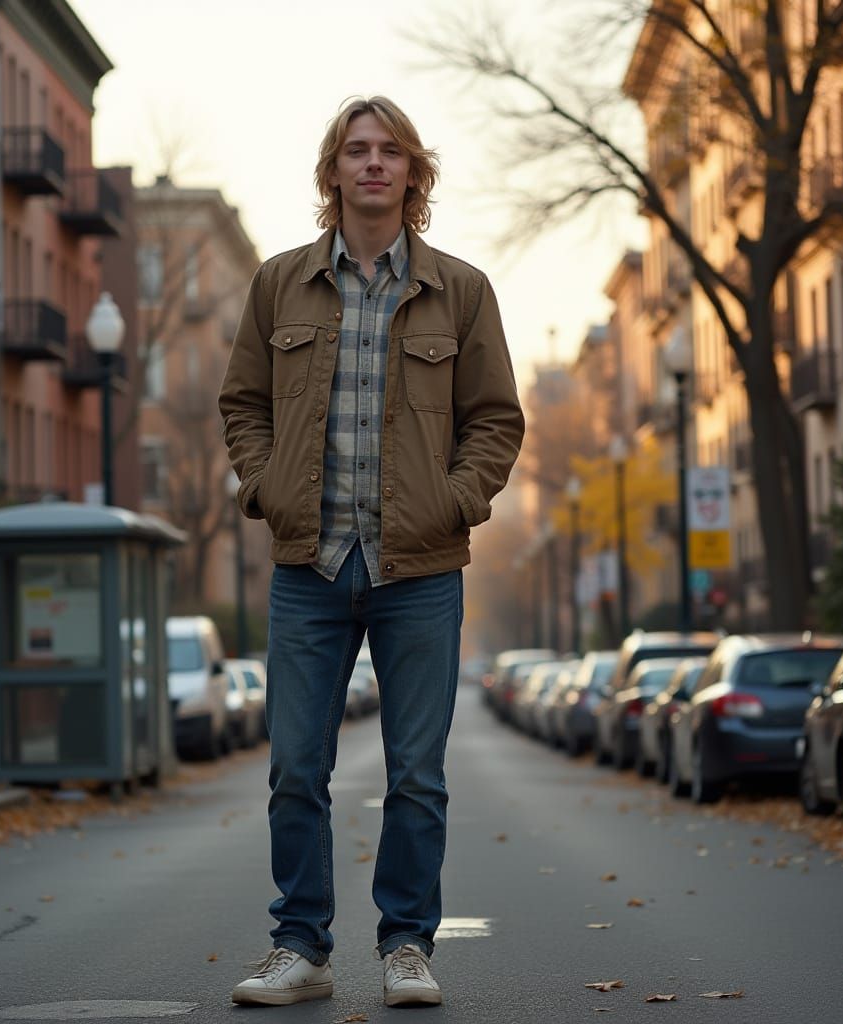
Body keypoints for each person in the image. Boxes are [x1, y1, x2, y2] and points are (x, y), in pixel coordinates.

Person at [219, 95, 524, 1008]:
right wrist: (266, 486)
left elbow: (495, 420)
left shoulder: (461, 290)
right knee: (294, 769)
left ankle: (407, 948)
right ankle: (301, 948)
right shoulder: (279, 283)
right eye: (357, 150)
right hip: (308, 565)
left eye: (391, 150)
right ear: (334, 172)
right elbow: (244, 404)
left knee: (417, 775)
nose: (374, 163)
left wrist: (456, 501)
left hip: (418, 569)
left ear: (414, 173)